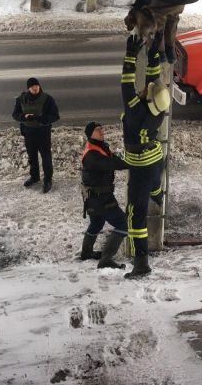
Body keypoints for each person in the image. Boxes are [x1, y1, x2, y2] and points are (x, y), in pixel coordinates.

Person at [121, 34, 170, 278]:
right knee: (154, 185)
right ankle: (158, 195)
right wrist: (154, 54)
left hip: (140, 165)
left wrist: (131, 56)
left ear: (147, 98)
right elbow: (154, 80)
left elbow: (126, 84)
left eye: (146, 91)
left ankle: (141, 263)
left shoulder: (135, 112)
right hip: (154, 159)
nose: (144, 88)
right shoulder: (157, 109)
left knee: (134, 213)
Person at [80, 122, 129, 269]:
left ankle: (86, 253)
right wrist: (134, 164)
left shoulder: (100, 147)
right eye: (97, 130)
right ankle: (106, 259)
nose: (102, 131)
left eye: (102, 129)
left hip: (96, 197)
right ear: (90, 134)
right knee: (123, 224)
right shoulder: (91, 154)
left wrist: (128, 161)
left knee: (97, 223)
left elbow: (114, 161)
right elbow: (110, 163)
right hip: (100, 198)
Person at [12, 77, 59, 193]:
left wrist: (40, 119)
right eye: (33, 86)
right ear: (29, 88)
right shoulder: (21, 99)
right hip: (28, 132)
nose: (35, 88)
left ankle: (48, 180)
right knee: (32, 156)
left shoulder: (48, 99)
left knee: (46, 157)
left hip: (43, 132)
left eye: (37, 86)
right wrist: (23, 117)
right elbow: (15, 114)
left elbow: (55, 116)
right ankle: (34, 177)